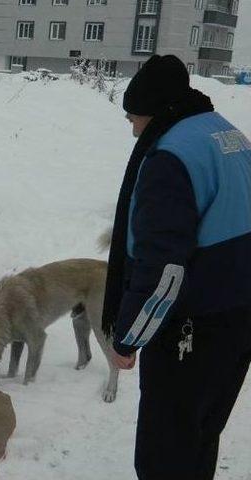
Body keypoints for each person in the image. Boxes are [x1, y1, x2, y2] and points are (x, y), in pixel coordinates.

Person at [102, 55, 251, 479]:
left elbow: (162, 268)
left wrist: (128, 339)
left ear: (155, 111)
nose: (133, 129)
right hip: (237, 321)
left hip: (193, 331)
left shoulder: (170, 157)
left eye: (134, 118)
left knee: (164, 456)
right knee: (201, 437)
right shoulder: (226, 133)